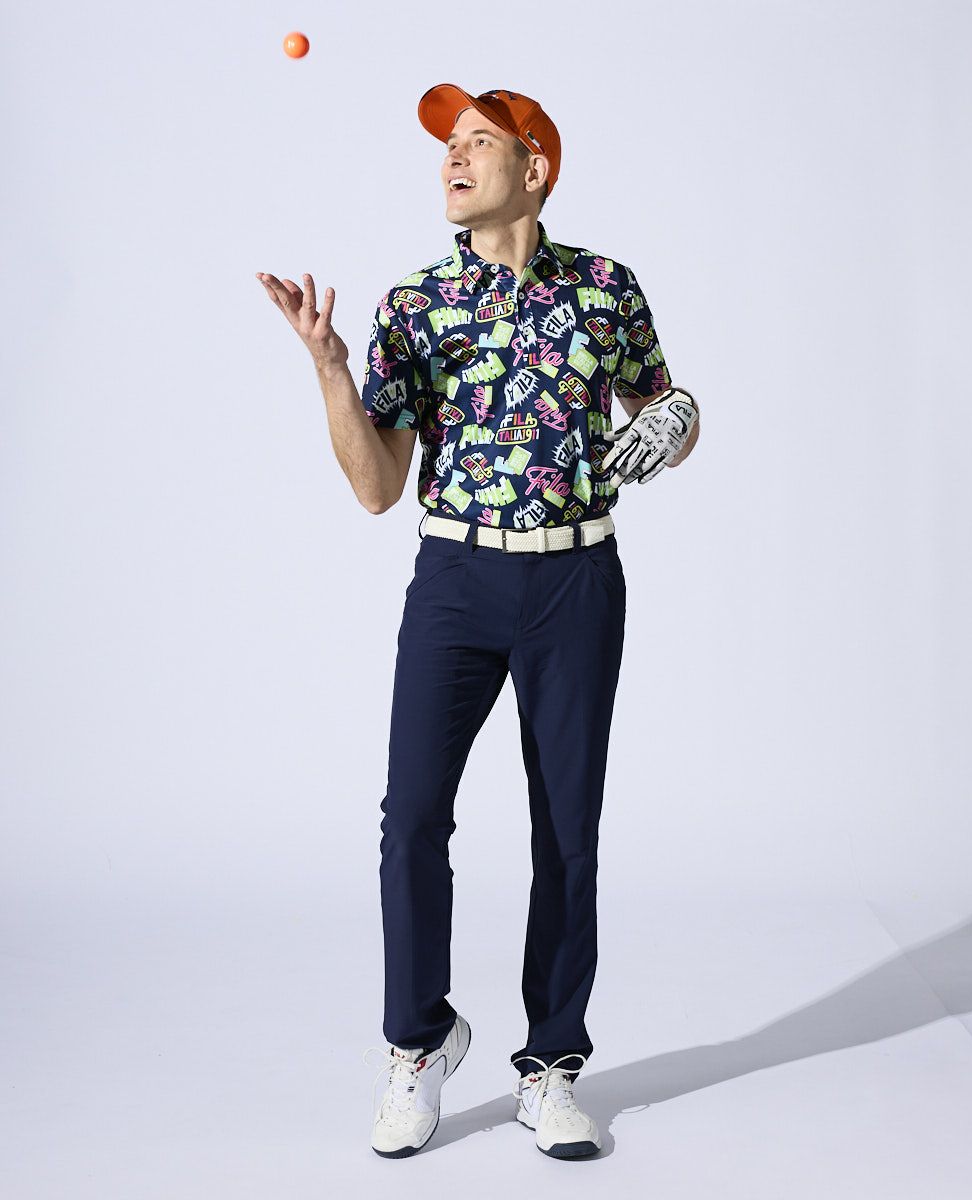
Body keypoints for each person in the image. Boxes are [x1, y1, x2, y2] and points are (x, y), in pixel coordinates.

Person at [257, 83, 700, 1161]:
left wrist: (678, 423)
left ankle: (551, 1067)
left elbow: (664, 407)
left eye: (477, 141)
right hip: (456, 578)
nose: (453, 158)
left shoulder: (605, 288)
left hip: (575, 584)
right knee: (412, 815)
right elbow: (376, 487)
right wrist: (330, 371)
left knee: (567, 830)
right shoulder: (414, 306)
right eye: (447, 145)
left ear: (534, 169)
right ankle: (418, 1043)